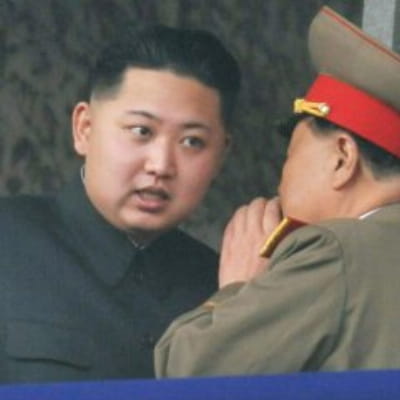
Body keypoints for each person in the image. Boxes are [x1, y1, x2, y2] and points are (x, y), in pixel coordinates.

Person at [154, 6, 400, 377]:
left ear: (342, 159)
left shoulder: (336, 251)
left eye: (289, 158)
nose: (280, 185)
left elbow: (189, 372)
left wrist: (237, 289)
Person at [0, 25, 241, 382]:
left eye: (192, 141)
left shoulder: (221, 287)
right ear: (84, 128)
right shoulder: (8, 243)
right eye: (142, 131)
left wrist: (238, 304)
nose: (161, 165)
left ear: (221, 155)